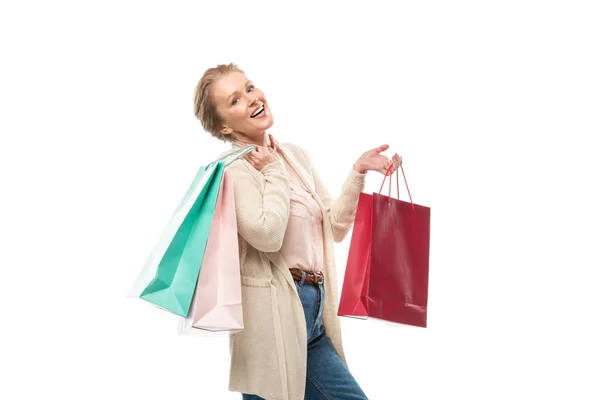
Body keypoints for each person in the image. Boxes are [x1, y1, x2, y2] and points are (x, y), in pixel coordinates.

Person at [193, 64, 401, 400]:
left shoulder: (293, 155)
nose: (251, 99)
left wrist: (358, 171)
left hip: (313, 312)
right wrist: (273, 174)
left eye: (249, 88)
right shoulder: (232, 170)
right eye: (234, 100)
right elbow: (267, 235)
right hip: (272, 314)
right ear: (224, 125)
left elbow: (332, 226)